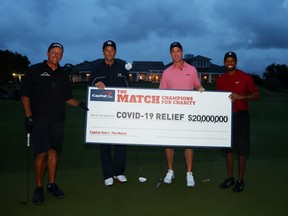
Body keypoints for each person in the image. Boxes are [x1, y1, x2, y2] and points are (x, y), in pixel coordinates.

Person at [21, 42, 88, 204]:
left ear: (62, 55)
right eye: (53, 52)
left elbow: (67, 97)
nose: (56, 56)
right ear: (47, 53)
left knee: (53, 153)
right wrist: (28, 115)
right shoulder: (35, 70)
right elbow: (25, 94)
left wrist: (80, 104)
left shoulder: (63, 74)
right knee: (41, 154)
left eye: (59, 53)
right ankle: (38, 187)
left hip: (58, 120)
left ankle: (51, 184)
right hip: (39, 120)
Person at [159, 42, 205, 187]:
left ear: (182, 52)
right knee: (169, 143)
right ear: (170, 54)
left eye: (178, 50)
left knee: (188, 143)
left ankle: (189, 173)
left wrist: (200, 88)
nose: (176, 53)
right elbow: (161, 94)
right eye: (173, 51)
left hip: (187, 113)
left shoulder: (192, 69)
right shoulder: (166, 72)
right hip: (171, 114)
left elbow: (197, 85)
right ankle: (170, 171)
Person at [88, 40, 130, 186]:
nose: (109, 52)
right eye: (107, 50)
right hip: (103, 114)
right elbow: (91, 88)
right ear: (103, 52)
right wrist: (95, 84)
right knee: (105, 145)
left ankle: (119, 172)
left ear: (115, 52)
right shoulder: (96, 68)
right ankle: (108, 174)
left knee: (121, 143)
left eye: (112, 50)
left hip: (120, 113)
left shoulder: (122, 68)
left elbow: (130, 90)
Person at [217, 51, 259, 192]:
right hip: (226, 119)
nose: (229, 63)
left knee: (241, 151)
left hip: (241, 117)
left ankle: (240, 180)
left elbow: (256, 95)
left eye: (232, 61)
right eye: (227, 61)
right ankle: (230, 177)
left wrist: (240, 97)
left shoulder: (245, 77)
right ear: (224, 62)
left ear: (236, 62)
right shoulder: (220, 80)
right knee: (229, 150)